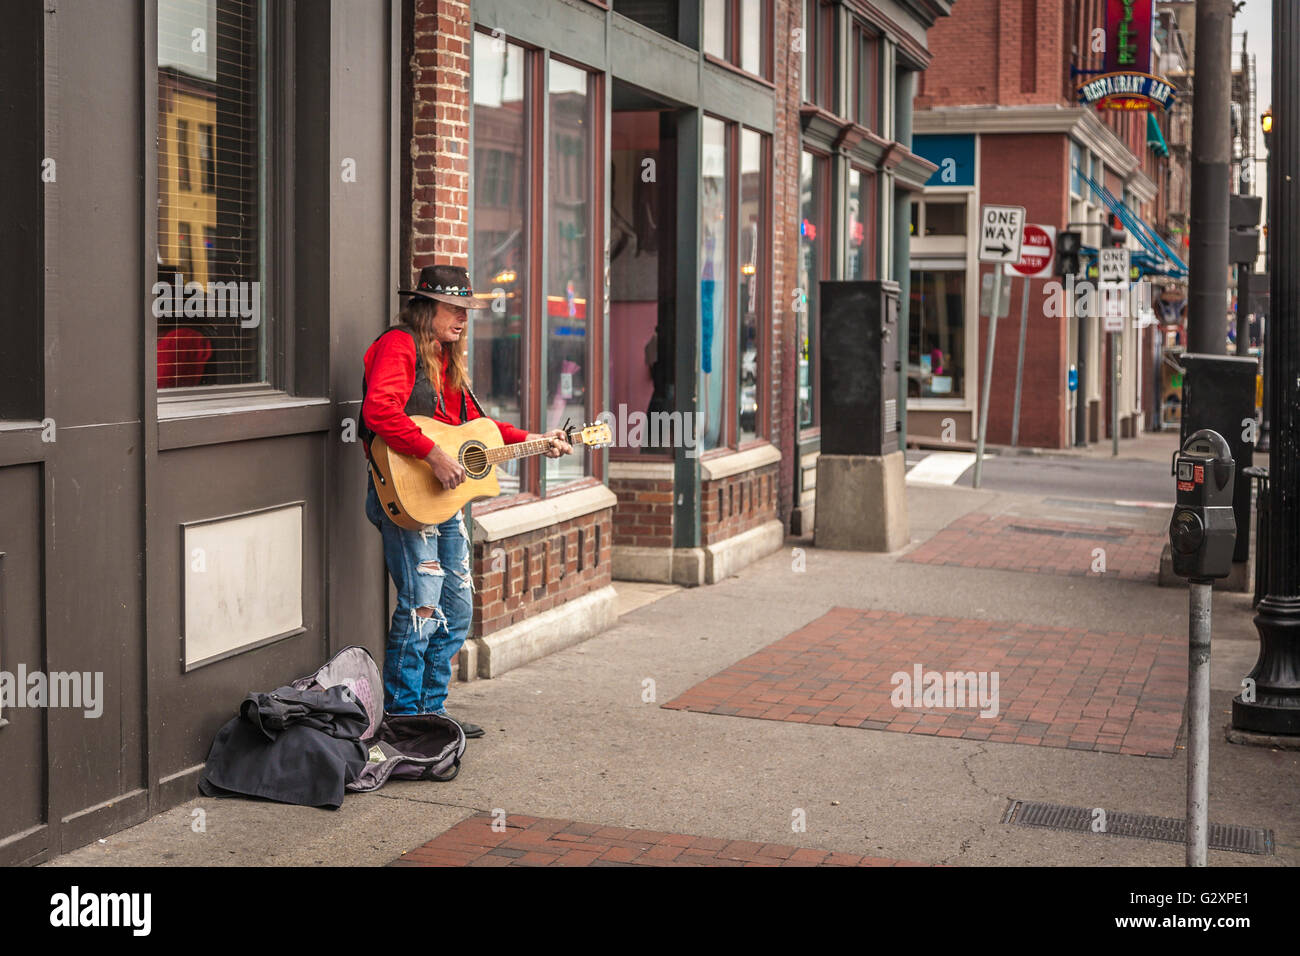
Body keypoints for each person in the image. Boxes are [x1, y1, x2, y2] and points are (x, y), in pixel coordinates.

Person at [360, 264, 573, 737]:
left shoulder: (446, 357)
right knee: (422, 605)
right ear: (426, 307)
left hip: (444, 502)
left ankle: (431, 711)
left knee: (455, 608)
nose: (463, 318)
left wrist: (536, 439)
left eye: (467, 310)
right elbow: (379, 410)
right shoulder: (399, 345)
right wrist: (433, 455)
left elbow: (480, 430)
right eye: (454, 308)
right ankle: (402, 717)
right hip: (407, 497)